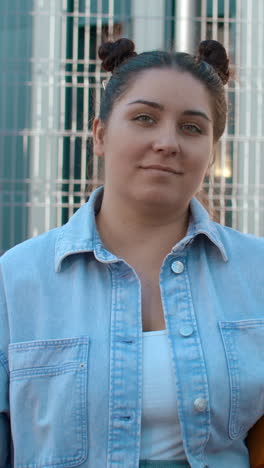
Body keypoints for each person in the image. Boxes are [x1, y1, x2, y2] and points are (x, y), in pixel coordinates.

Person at [0, 37, 263, 468]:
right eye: (144, 118)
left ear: (212, 152)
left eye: (192, 127)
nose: (167, 142)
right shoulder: (15, 279)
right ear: (100, 135)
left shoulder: (258, 272)